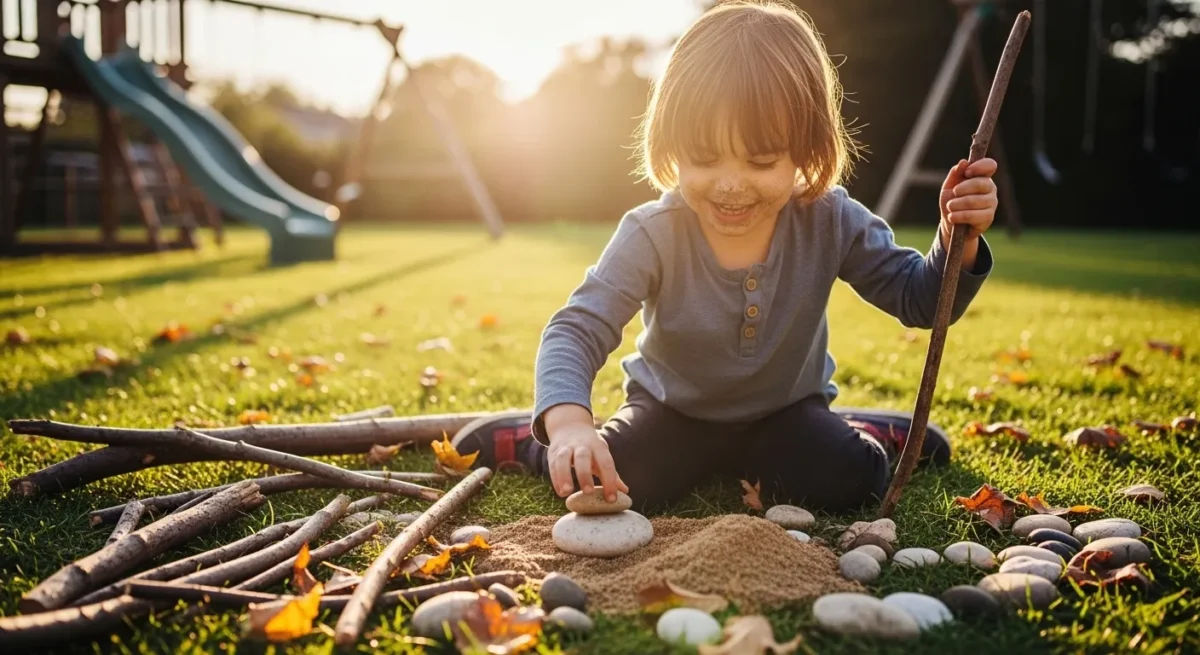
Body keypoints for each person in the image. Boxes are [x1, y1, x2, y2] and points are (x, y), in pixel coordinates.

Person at [453, 0, 997, 512]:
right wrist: (570, 425)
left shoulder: (830, 219)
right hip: (669, 413)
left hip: (786, 414)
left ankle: (867, 432)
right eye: (705, 159)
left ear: (806, 151)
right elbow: (577, 328)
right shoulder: (653, 231)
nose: (730, 185)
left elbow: (920, 300)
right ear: (671, 147)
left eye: (761, 161)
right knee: (617, 478)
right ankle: (530, 439)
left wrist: (957, 238)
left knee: (852, 480)